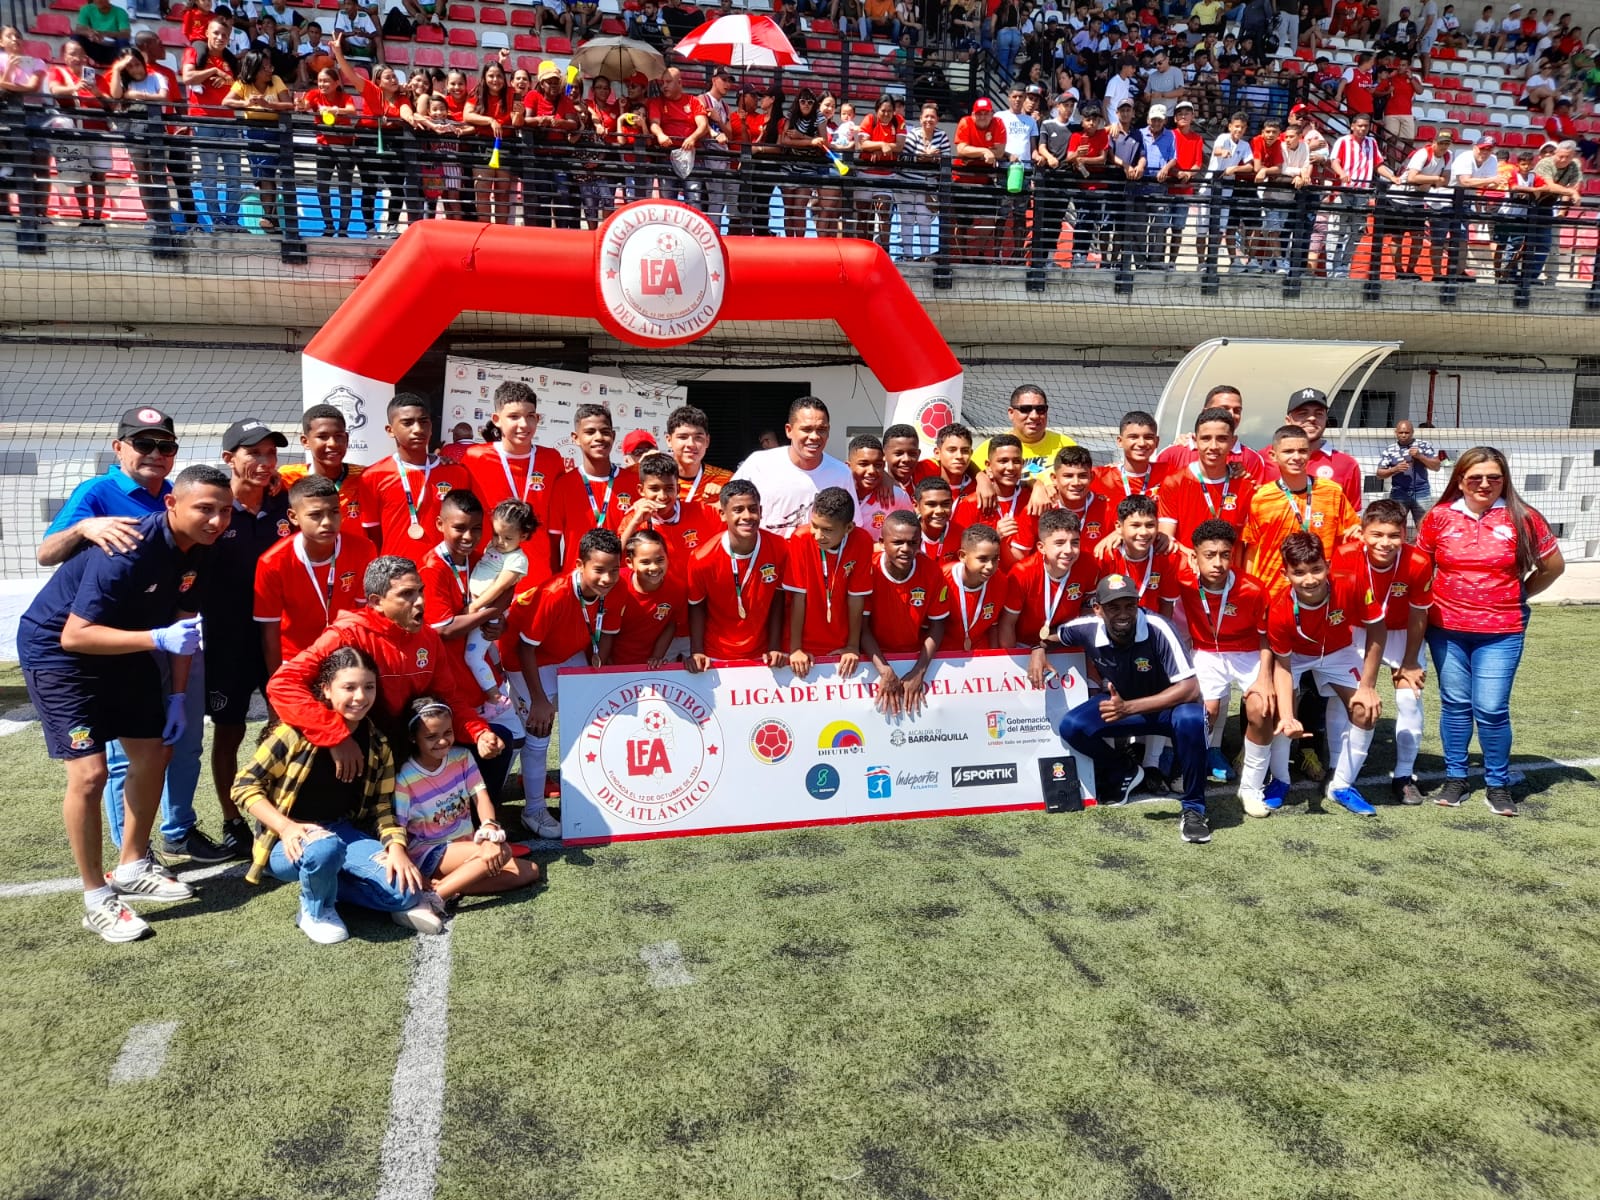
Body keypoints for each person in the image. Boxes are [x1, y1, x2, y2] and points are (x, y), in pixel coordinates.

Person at [18, 464, 234, 942]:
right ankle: (96, 897)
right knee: (91, 775)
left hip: (128, 649)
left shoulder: (204, 551)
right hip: (60, 657)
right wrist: (156, 636)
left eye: (224, 510)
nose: (216, 520)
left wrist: (177, 697)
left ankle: (133, 864)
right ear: (172, 503)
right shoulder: (128, 547)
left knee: (155, 752)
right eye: (205, 509)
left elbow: (184, 624)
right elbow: (75, 635)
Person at [236, 646, 446, 944]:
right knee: (324, 848)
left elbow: (383, 807)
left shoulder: (377, 743)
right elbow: (244, 785)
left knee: (406, 892)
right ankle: (315, 910)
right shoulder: (292, 734)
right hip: (288, 839)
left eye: (368, 687)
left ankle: (326, 881)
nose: (360, 696)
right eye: (349, 687)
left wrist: (397, 848)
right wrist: (286, 827)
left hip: (342, 832)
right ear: (326, 689)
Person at [268, 555, 504, 793]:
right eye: (406, 594)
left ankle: (477, 826)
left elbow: (448, 698)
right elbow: (283, 683)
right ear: (376, 601)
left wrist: (479, 732)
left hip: (406, 739)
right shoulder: (347, 635)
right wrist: (336, 736)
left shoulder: (429, 639)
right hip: (360, 742)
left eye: (420, 591)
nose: (420, 601)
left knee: (497, 739)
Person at [1415, 447, 1564, 814]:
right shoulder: (1438, 517)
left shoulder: (1524, 518)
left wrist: (1520, 592)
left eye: (1493, 477)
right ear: (1460, 480)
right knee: (1455, 705)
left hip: (1502, 629)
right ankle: (1456, 777)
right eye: (1475, 477)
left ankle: (1497, 784)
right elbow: (1420, 566)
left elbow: (1552, 566)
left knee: (1492, 708)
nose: (1484, 484)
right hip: (1446, 628)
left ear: (1504, 480)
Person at [1055, 574, 1212, 840]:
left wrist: (1129, 708)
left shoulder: (1158, 627)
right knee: (1072, 727)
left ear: (1138, 604)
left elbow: (1190, 689)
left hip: (1170, 710)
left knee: (1192, 720)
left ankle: (1194, 808)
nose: (1123, 614)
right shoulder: (1086, 628)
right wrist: (1037, 648)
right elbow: (1054, 634)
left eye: (1129, 605)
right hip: (1124, 707)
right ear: (1097, 609)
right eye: (1114, 607)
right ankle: (1124, 769)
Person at [1261, 533, 1387, 815]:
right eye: (1299, 573)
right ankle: (1280, 779)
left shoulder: (1352, 583)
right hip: (1295, 657)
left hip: (1338, 652)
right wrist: (1288, 715)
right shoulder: (1279, 607)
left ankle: (1341, 784)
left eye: (1316, 569)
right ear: (1286, 573)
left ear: (1327, 565)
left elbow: (1377, 630)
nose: (1310, 580)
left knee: (1365, 710)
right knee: (1279, 713)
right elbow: (1282, 665)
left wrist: (1367, 685)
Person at [1332, 500, 1434, 805]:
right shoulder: (1344, 555)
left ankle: (1404, 775)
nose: (1385, 543)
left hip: (1402, 633)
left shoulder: (1417, 561)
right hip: (1357, 629)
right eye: (1376, 534)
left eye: (1393, 535)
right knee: (1345, 701)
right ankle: (1336, 766)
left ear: (1404, 533)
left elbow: (1419, 614)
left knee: (1408, 699)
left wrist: (1411, 660)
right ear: (1362, 532)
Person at [394, 697, 541, 907]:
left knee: (529, 871)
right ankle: (433, 899)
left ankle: (445, 886)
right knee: (503, 850)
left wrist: (489, 828)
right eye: (431, 736)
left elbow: (481, 797)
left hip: (467, 845)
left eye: (447, 733)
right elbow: (398, 828)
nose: (442, 741)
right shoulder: (405, 777)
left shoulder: (462, 757)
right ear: (413, 738)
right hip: (429, 853)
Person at [1178, 520, 1276, 800]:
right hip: (1206, 652)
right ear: (1195, 556)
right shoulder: (1183, 580)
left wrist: (1266, 679)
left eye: (1225, 555)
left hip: (1247, 653)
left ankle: (1251, 787)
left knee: (1261, 708)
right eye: (1209, 555)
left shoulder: (1253, 589)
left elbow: (1265, 637)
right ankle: (1195, 771)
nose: (1218, 563)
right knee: (1203, 713)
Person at [253, 474, 375, 674]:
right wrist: (277, 687)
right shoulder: (271, 562)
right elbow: (269, 633)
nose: (327, 522)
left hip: (345, 656)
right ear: (293, 517)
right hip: (295, 659)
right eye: (315, 515)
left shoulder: (363, 549)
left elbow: (365, 615)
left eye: (334, 512)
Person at [461, 380, 568, 587]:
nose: (524, 425)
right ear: (497, 419)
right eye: (513, 417)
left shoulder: (552, 459)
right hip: (488, 572)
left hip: (537, 573)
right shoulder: (474, 458)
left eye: (530, 416)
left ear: (537, 418)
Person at [1243, 423, 1361, 608]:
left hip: (1319, 589)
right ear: (1274, 456)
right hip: (1274, 593)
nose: (1296, 457)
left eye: (1302, 451)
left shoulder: (1332, 492)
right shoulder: (1261, 498)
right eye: (1288, 451)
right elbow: (1251, 550)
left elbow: (1351, 536)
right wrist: (1250, 588)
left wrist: (1360, 529)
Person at [685, 481, 789, 670]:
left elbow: (777, 599)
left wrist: (775, 646)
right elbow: (696, 607)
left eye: (752, 509)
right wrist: (697, 651)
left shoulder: (779, 547)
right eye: (738, 510)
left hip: (764, 654)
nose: (747, 516)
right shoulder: (702, 558)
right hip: (715, 654)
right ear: (722, 514)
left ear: (761, 510)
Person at [359, 393, 474, 554]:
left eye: (423, 422)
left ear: (431, 427)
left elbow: (468, 526)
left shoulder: (456, 473)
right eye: (407, 423)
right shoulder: (372, 476)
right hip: (396, 574)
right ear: (390, 430)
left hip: (444, 571)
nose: (418, 429)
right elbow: (372, 536)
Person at [861, 510, 949, 715]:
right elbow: (861, 629)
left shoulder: (931, 571)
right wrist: (884, 670)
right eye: (898, 542)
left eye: (912, 543)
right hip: (873, 659)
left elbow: (937, 626)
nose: (906, 549)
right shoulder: (868, 569)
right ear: (882, 542)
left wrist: (919, 671)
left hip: (915, 657)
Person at [731, 396, 853, 537]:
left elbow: (851, 525)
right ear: (789, 430)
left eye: (821, 429)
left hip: (818, 558)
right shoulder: (758, 464)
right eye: (806, 429)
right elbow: (728, 506)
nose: (814, 436)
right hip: (768, 557)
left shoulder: (841, 473)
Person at [784, 486, 873, 679]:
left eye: (827, 530)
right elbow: (799, 596)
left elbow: (856, 597)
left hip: (840, 644)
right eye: (814, 525)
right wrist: (796, 648)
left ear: (848, 528)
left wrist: (852, 646)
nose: (817, 534)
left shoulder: (862, 541)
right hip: (803, 644)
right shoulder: (801, 538)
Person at [999, 507, 1093, 683]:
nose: (1068, 550)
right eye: (1059, 543)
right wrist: (1015, 669)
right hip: (1023, 648)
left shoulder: (1088, 565)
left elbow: (1088, 616)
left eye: (1075, 542)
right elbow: (1007, 626)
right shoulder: (1022, 573)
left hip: (1064, 644)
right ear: (1041, 547)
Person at [462, 499, 537, 713]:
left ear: (523, 536)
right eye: (495, 534)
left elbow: (499, 588)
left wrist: (475, 607)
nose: (499, 541)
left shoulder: (517, 560)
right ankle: (499, 677)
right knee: (487, 652)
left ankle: (496, 698)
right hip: (477, 607)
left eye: (508, 538)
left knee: (472, 656)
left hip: (485, 612)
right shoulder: (493, 547)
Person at [547, 404, 640, 570]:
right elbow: (553, 545)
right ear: (575, 438)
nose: (599, 437)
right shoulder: (563, 485)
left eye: (605, 432)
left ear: (613, 435)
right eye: (590, 432)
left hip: (621, 580)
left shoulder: (633, 482)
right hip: (577, 582)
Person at [1158, 405, 1259, 552]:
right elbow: (1167, 539)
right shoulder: (1174, 482)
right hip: (1187, 571)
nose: (1213, 446)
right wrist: (1195, 558)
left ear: (1232, 441)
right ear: (1195, 441)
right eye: (1206, 439)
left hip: (1229, 572)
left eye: (1222, 439)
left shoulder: (1245, 485)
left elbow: (1248, 545)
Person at [616, 452, 721, 572]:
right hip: (657, 590)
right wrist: (635, 523)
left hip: (696, 590)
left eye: (669, 488)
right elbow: (615, 559)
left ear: (678, 489)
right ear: (641, 490)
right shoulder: (632, 519)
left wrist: (721, 501)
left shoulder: (704, 511)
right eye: (654, 489)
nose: (662, 496)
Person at [1155, 384, 1272, 483]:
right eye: (1224, 408)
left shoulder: (1251, 458)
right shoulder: (1173, 453)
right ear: (1205, 411)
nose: (1231, 414)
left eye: (1237, 410)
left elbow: (1257, 501)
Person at [955, 434, 1035, 572]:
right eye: (1003, 461)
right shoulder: (970, 503)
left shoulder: (1031, 501)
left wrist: (1038, 484)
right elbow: (961, 553)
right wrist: (995, 537)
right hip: (983, 585)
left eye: (1016, 461)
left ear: (1022, 464)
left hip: (1021, 585)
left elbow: (1020, 561)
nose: (1010, 467)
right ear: (988, 466)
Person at [608, 529, 688, 667]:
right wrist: (604, 661)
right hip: (612, 663)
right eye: (645, 562)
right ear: (629, 562)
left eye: (660, 560)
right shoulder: (615, 584)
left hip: (648, 665)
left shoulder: (677, 589)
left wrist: (657, 655)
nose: (654, 567)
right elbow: (604, 628)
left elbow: (671, 623)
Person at [278, 403, 364, 524]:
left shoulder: (365, 477)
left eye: (338, 436)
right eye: (322, 436)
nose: (332, 443)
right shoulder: (285, 478)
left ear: (347, 438)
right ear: (305, 441)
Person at [1277, 386, 1363, 507]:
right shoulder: (1265, 459)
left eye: (1318, 413)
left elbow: (1353, 518)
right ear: (1288, 420)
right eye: (1303, 413)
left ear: (1325, 419)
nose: (1312, 418)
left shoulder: (1347, 464)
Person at [941, 524, 1004, 651]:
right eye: (982, 559)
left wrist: (994, 658)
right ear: (963, 556)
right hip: (943, 652)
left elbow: (993, 625)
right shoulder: (942, 579)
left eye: (995, 559)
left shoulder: (1000, 581)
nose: (990, 566)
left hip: (980, 651)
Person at [1375, 419, 1444, 531]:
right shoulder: (1390, 449)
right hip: (1399, 492)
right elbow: (1379, 474)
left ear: (1412, 432)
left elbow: (1436, 466)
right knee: (1396, 526)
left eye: (1406, 433)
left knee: (1425, 527)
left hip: (1422, 491)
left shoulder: (1424, 445)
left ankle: (1422, 548)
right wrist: (1395, 469)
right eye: (1401, 433)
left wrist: (1420, 456)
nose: (1403, 435)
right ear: (1396, 433)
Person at [1093, 410, 1176, 503]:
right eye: (1133, 437)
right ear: (1120, 441)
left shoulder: (1171, 474)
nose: (1142, 443)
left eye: (1148, 437)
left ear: (1156, 442)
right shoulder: (1097, 477)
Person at [664, 404, 733, 505]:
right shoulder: (655, 478)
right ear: (669, 440)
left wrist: (722, 503)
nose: (691, 444)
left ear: (707, 441)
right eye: (683, 437)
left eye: (698, 438)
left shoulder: (727, 480)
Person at [913, 476, 965, 565]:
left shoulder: (962, 535)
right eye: (931, 504)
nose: (939, 511)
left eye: (945, 504)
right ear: (916, 506)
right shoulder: (906, 535)